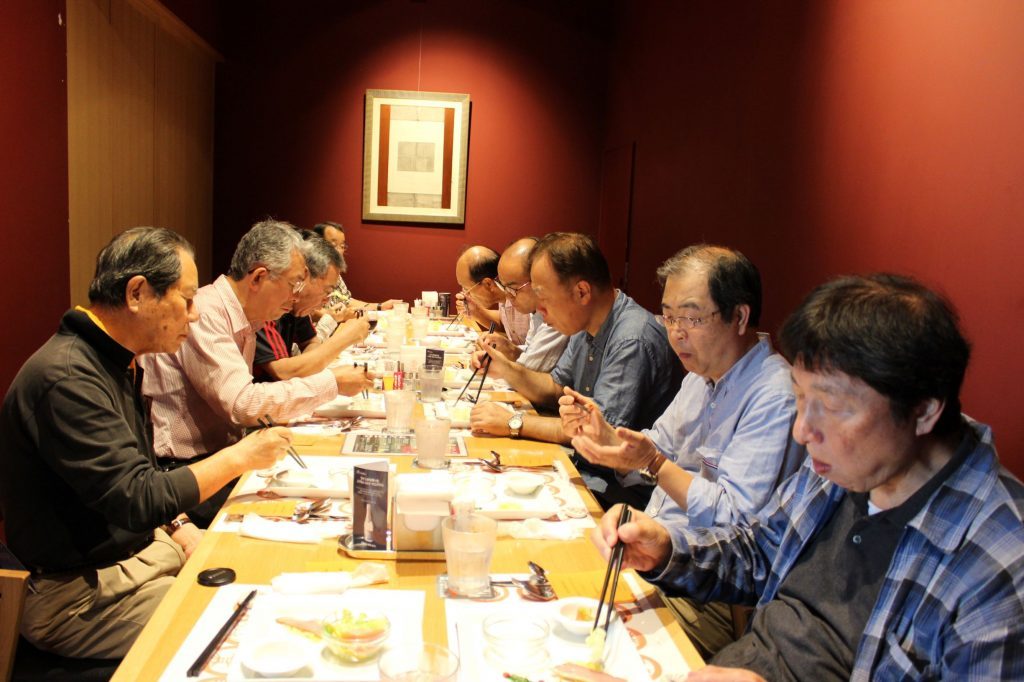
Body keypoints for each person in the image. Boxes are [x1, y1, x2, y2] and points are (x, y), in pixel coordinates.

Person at [593, 274, 1024, 681]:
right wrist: (668, 548)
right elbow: (759, 552)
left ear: (925, 409)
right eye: (801, 398)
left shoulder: (1000, 567)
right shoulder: (848, 467)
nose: (802, 431)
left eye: (832, 407)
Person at [0, 228, 291, 659]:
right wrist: (240, 457)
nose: (195, 315)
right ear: (137, 293)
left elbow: (140, 473)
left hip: (132, 559)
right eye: (186, 300)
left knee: (261, 569)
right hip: (76, 595)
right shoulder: (67, 378)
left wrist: (180, 527)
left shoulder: (116, 361)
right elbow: (137, 499)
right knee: (246, 631)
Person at [561, 244, 805, 658]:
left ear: (739, 317)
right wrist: (609, 441)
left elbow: (734, 519)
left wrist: (652, 463)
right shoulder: (700, 375)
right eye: (669, 317)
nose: (676, 332)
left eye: (691, 317)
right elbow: (656, 445)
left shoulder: (773, 395)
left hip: (706, 590)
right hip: (652, 550)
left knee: (586, 649)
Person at [142, 220, 372, 524]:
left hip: (221, 458)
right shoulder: (208, 313)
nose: (296, 297)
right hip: (187, 474)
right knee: (312, 517)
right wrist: (332, 382)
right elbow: (244, 404)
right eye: (294, 284)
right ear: (259, 277)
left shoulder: (247, 317)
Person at [472, 232, 682, 509]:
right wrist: (506, 368)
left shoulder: (632, 339)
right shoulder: (585, 323)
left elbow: (598, 433)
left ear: (582, 292)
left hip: (619, 493)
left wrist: (514, 423)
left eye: (543, 297)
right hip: (583, 467)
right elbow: (555, 387)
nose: (539, 309)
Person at [254, 231, 369, 381]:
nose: (326, 301)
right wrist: (344, 338)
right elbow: (283, 372)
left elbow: (311, 342)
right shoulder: (268, 305)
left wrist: (307, 365)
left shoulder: (296, 308)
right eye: (327, 291)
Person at [472, 237, 568, 373]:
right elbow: (530, 352)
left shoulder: (559, 313)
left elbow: (530, 371)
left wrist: (501, 364)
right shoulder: (536, 312)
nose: (508, 296)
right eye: (503, 287)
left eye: (513, 288)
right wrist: (508, 348)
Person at [454, 244, 532, 341]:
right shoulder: (503, 297)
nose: (466, 295)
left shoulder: (525, 299)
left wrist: (507, 346)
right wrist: (476, 311)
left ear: (488, 284)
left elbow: (533, 349)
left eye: (467, 289)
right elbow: (506, 324)